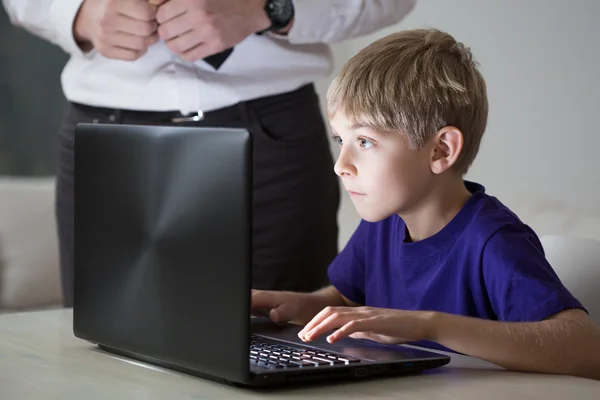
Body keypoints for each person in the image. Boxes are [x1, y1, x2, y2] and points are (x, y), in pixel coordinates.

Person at [1, 0, 417, 307]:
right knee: (102, 352)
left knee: (280, 349)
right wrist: (74, 12)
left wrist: (272, 7)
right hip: (103, 135)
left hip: (268, 141)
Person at [251, 28, 600, 380]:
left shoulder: (493, 240)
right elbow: (348, 301)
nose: (341, 165)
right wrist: (298, 305)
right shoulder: (382, 223)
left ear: (441, 150)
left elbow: (585, 347)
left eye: (365, 141)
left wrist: (430, 326)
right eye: (340, 139)